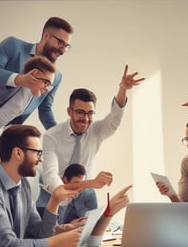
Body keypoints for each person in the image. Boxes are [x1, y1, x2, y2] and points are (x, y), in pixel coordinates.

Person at [0, 124, 131, 247]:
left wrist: (54, 201)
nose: (41, 159)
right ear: (18, 153)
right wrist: (57, 242)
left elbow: (41, 233)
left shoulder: (23, 185)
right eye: (37, 153)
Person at [36, 65, 145, 224]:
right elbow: (51, 177)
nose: (86, 119)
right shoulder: (51, 136)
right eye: (80, 112)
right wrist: (92, 183)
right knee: (52, 241)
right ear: (69, 111)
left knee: (90, 237)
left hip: (84, 198)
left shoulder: (95, 131)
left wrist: (123, 89)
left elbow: (114, 119)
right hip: (52, 198)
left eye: (90, 113)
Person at [0, 16, 74, 144]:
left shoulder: (56, 77)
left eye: (67, 46)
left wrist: (59, 137)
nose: (63, 50)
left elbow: (45, 110)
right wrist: (20, 79)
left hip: (4, 125)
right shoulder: (13, 45)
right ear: (46, 35)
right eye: (60, 43)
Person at [0, 56, 55, 158]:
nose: (46, 89)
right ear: (34, 74)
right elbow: (2, 116)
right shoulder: (21, 89)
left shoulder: (28, 95)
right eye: (46, 83)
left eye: (49, 86)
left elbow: (2, 118)